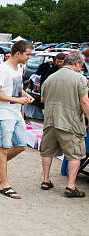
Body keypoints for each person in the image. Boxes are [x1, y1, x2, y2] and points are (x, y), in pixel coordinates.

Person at [0, 40, 34, 199]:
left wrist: (26, 95)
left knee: (21, 145)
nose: (29, 58)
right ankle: (4, 185)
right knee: (3, 148)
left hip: (14, 113)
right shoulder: (3, 69)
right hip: (3, 114)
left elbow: (17, 88)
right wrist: (18, 100)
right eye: (28, 54)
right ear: (18, 53)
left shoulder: (18, 68)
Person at [39, 52, 89, 198]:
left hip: (50, 121)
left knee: (47, 152)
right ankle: (71, 186)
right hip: (70, 122)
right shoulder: (79, 79)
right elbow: (84, 101)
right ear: (77, 63)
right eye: (82, 65)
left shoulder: (50, 78)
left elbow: (42, 99)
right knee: (75, 154)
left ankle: (46, 180)